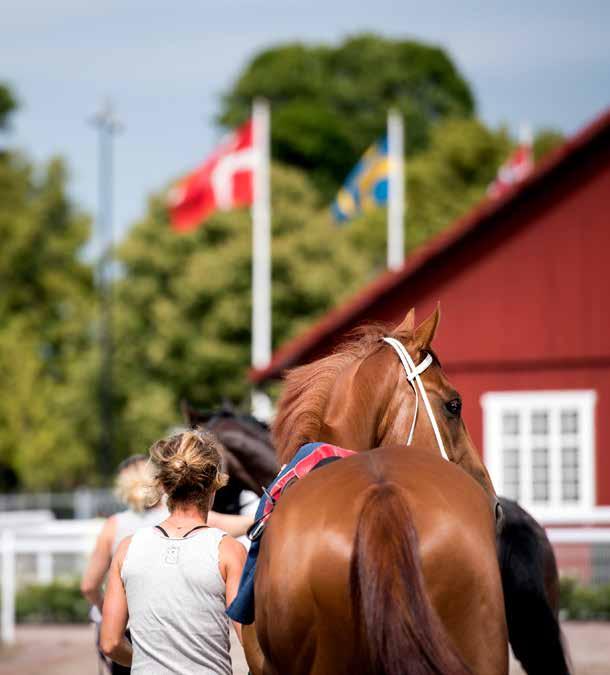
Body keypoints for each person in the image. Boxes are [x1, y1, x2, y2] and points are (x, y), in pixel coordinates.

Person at [100, 429, 247, 674]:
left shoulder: (127, 549)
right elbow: (249, 641)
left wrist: (147, 662)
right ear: (214, 484)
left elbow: (110, 642)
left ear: (164, 486)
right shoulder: (229, 551)